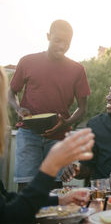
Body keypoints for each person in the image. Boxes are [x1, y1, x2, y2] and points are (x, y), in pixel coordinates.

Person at [0, 66, 95, 224]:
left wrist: (60, 200)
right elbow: (9, 216)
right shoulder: (28, 62)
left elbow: (7, 200)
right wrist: (50, 166)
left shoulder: (76, 70)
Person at [8, 19, 90, 191]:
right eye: (57, 40)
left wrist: (66, 123)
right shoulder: (27, 61)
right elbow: (11, 92)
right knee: (26, 187)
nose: (61, 46)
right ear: (48, 37)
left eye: (66, 42)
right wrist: (17, 108)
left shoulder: (77, 69)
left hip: (59, 137)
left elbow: (82, 108)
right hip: (28, 132)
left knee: (54, 188)